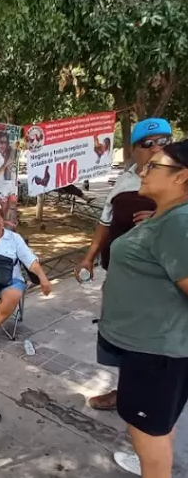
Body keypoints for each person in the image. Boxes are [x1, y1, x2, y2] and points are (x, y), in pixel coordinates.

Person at [98, 140, 188, 478]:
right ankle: (154, 462)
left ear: (181, 177)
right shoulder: (169, 219)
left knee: (148, 434)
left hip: (157, 354)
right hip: (146, 349)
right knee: (156, 430)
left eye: (155, 166)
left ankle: (155, 468)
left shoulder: (178, 224)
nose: (144, 170)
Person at [75, 117, 172, 412]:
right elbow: (105, 221)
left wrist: (160, 219)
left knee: (150, 340)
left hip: (158, 279)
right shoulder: (126, 179)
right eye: (148, 143)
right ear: (135, 149)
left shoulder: (180, 178)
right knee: (118, 335)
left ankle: (148, 404)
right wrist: (90, 257)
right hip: (118, 274)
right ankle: (125, 391)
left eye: (165, 142)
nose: (157, 148)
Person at [0, 205, 51, 347]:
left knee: (13, 295)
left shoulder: (14, 238)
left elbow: (31, 261)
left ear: (3, 220)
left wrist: (43, 279)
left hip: (11, 280)